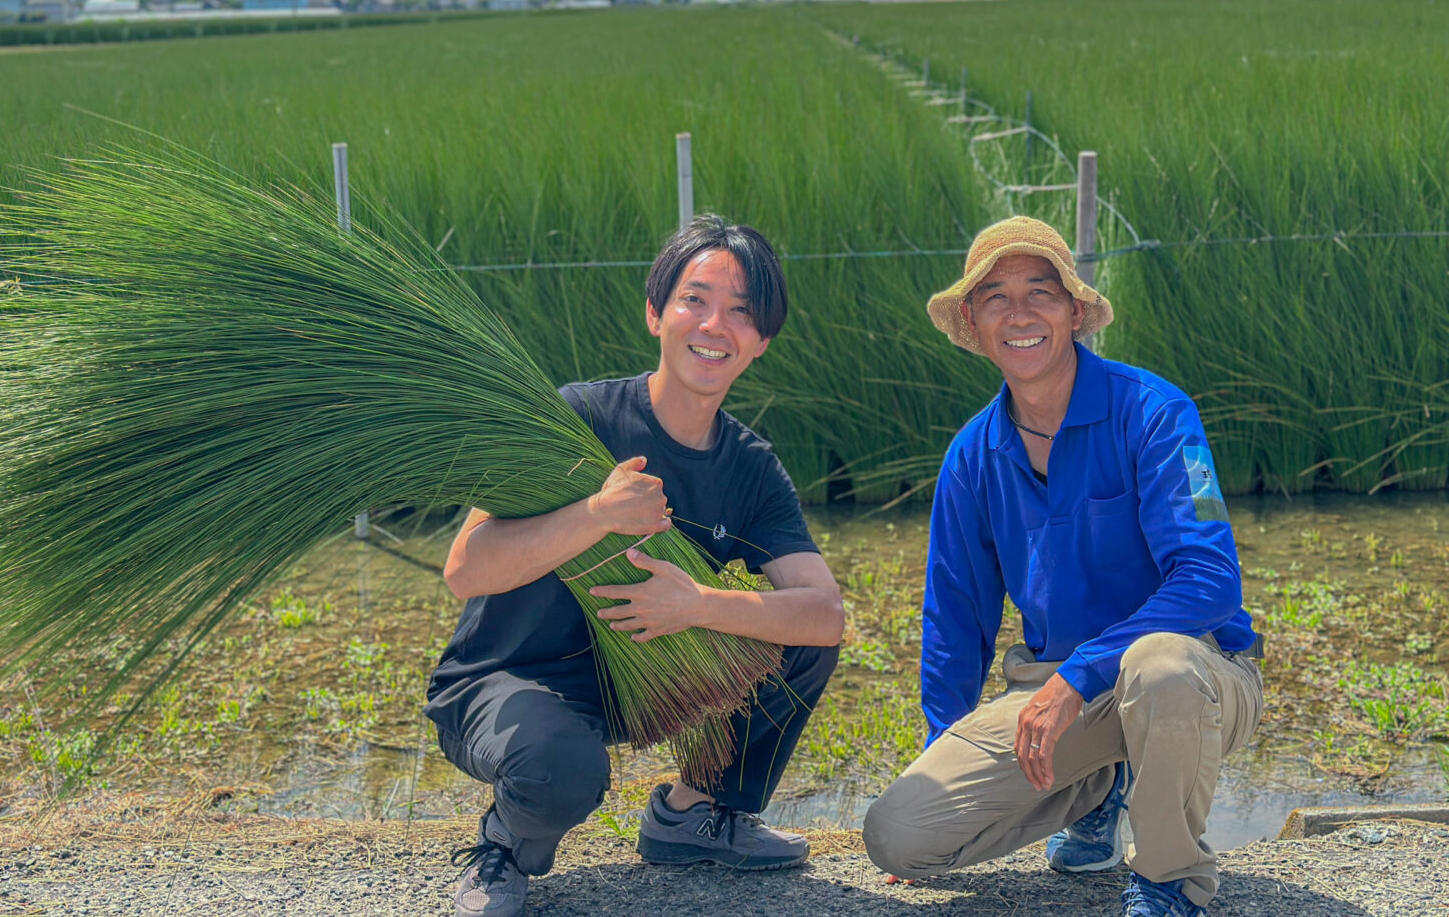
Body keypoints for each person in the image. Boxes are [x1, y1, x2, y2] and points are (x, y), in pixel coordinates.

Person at [426, 215, 844, 917]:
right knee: (560, 767)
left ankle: (694, 815)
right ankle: (503, 848)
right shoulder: (576, 418)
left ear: (761, 342)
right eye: (695, 300)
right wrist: (597, 514)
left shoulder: (750, 468)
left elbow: (824, 611)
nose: (714, 325)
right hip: (507, 685)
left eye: (741, 312)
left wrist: (698, 604)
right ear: (656, 314)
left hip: (639, 686)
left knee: (799, 645)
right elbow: (466, 568)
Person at [861, 216, 1264, 917]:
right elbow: (955, 619)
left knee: (1160, 665)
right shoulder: (969, 457)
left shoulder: (1158, 412)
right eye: (995, 297)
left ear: (1075, 311)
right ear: (973, 321)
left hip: (1195, 675)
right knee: (898, 835)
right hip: (1059, 694)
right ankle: (1101, 787)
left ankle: (1169, 883)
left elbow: (1210, 577)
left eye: (1040, 292)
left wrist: (1080, 676)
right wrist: (941, 755)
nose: (1019, 314)